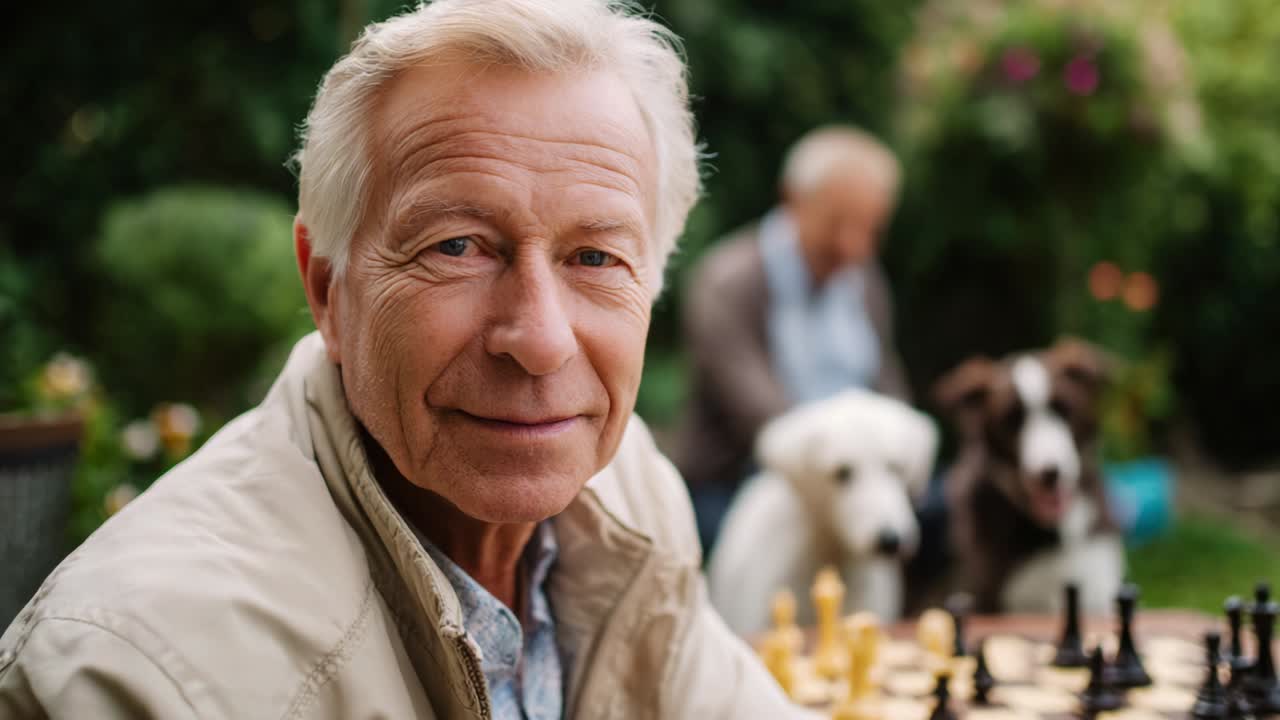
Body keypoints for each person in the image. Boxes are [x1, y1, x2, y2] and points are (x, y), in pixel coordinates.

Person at [0, 1, 810, 717]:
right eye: (456, 246)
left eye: (595, 258)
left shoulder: (626, 485)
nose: (539, 339)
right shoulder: (135, 673)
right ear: (330, 291)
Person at [673, 126, 913, 552]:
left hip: (860, 478)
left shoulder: (865, 282)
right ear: (792, 200)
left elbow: (889, 388)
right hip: (742, 482)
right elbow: (763, 417)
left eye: (870, 230)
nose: (852, 245)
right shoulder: (727, 282)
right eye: (838, 223)